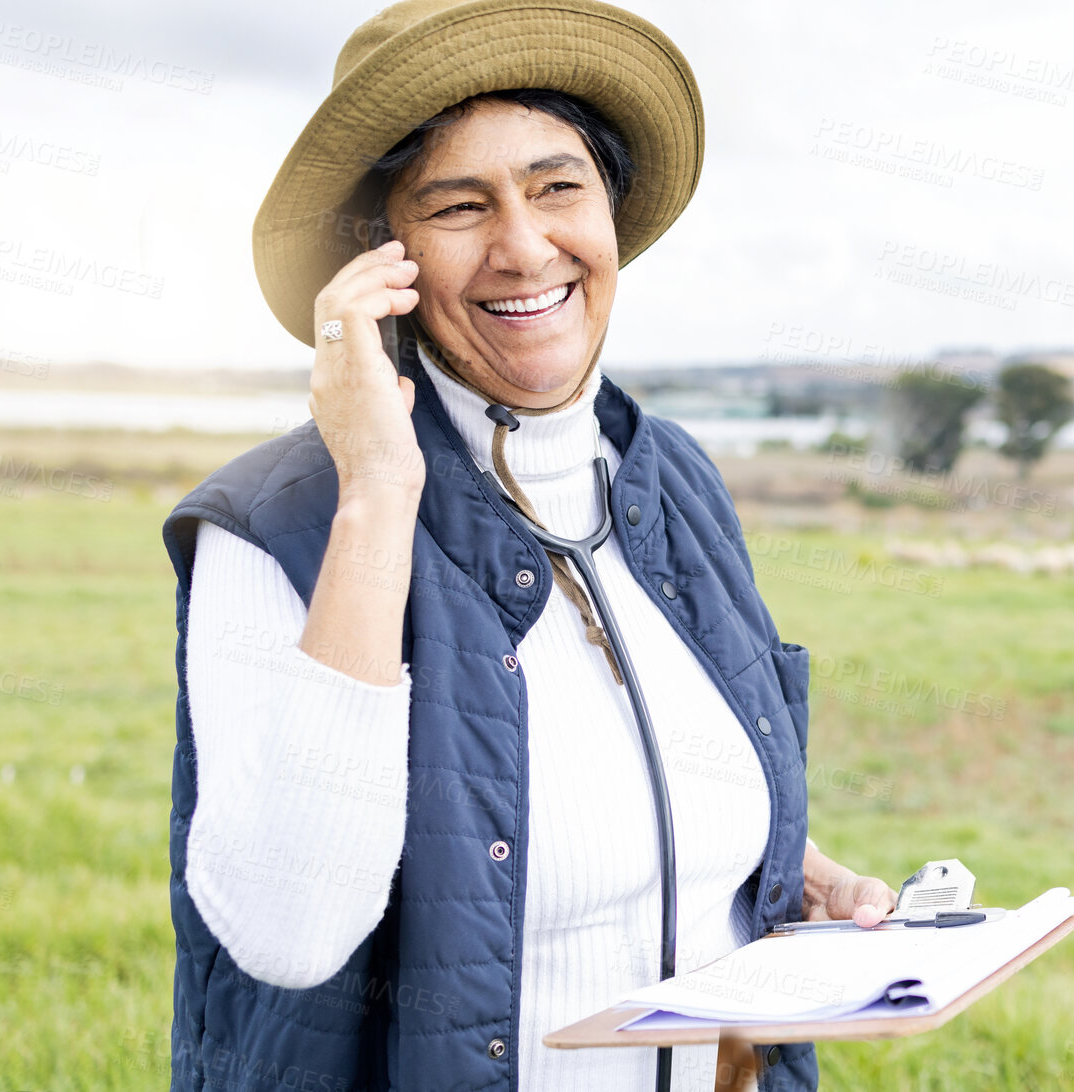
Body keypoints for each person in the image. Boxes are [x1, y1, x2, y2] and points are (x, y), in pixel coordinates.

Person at [160, 2, 892, 1089]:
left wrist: (772, 869)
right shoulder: (278, 526)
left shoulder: (673, 475)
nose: (523, 245)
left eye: (558, 187)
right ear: (383, 259)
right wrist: (375, 489)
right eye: (459, 205)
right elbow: (289, 932)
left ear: (608, 212)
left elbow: (619, 801)